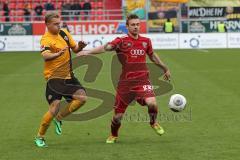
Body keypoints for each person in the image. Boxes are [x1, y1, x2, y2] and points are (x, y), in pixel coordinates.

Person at [78, 14, 171, 144]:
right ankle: (113, 135)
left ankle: (153, 122)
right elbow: (107, 47)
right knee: (117, 117)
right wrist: (88, 52)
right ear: (127, 26)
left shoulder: (146, 41)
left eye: (137, 24)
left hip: (143, 81)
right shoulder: (121, 41)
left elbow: (153, 56)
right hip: (125, 85)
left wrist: (165, 68)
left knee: (152, 103)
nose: (135, 27)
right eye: (133, 25)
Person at [34, 12, 87, 147]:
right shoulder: (45, 39)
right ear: (47, 25)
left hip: (68, 76)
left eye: (59, 23)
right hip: (54, 78)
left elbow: (75, 49)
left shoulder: (64, 33)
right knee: (54, 108)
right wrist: (57, 54)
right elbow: (45, 55)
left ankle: (59, 118)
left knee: (82, 98)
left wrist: (80, 46)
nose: (59, 26)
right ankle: (40, 137)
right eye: (55, 24)